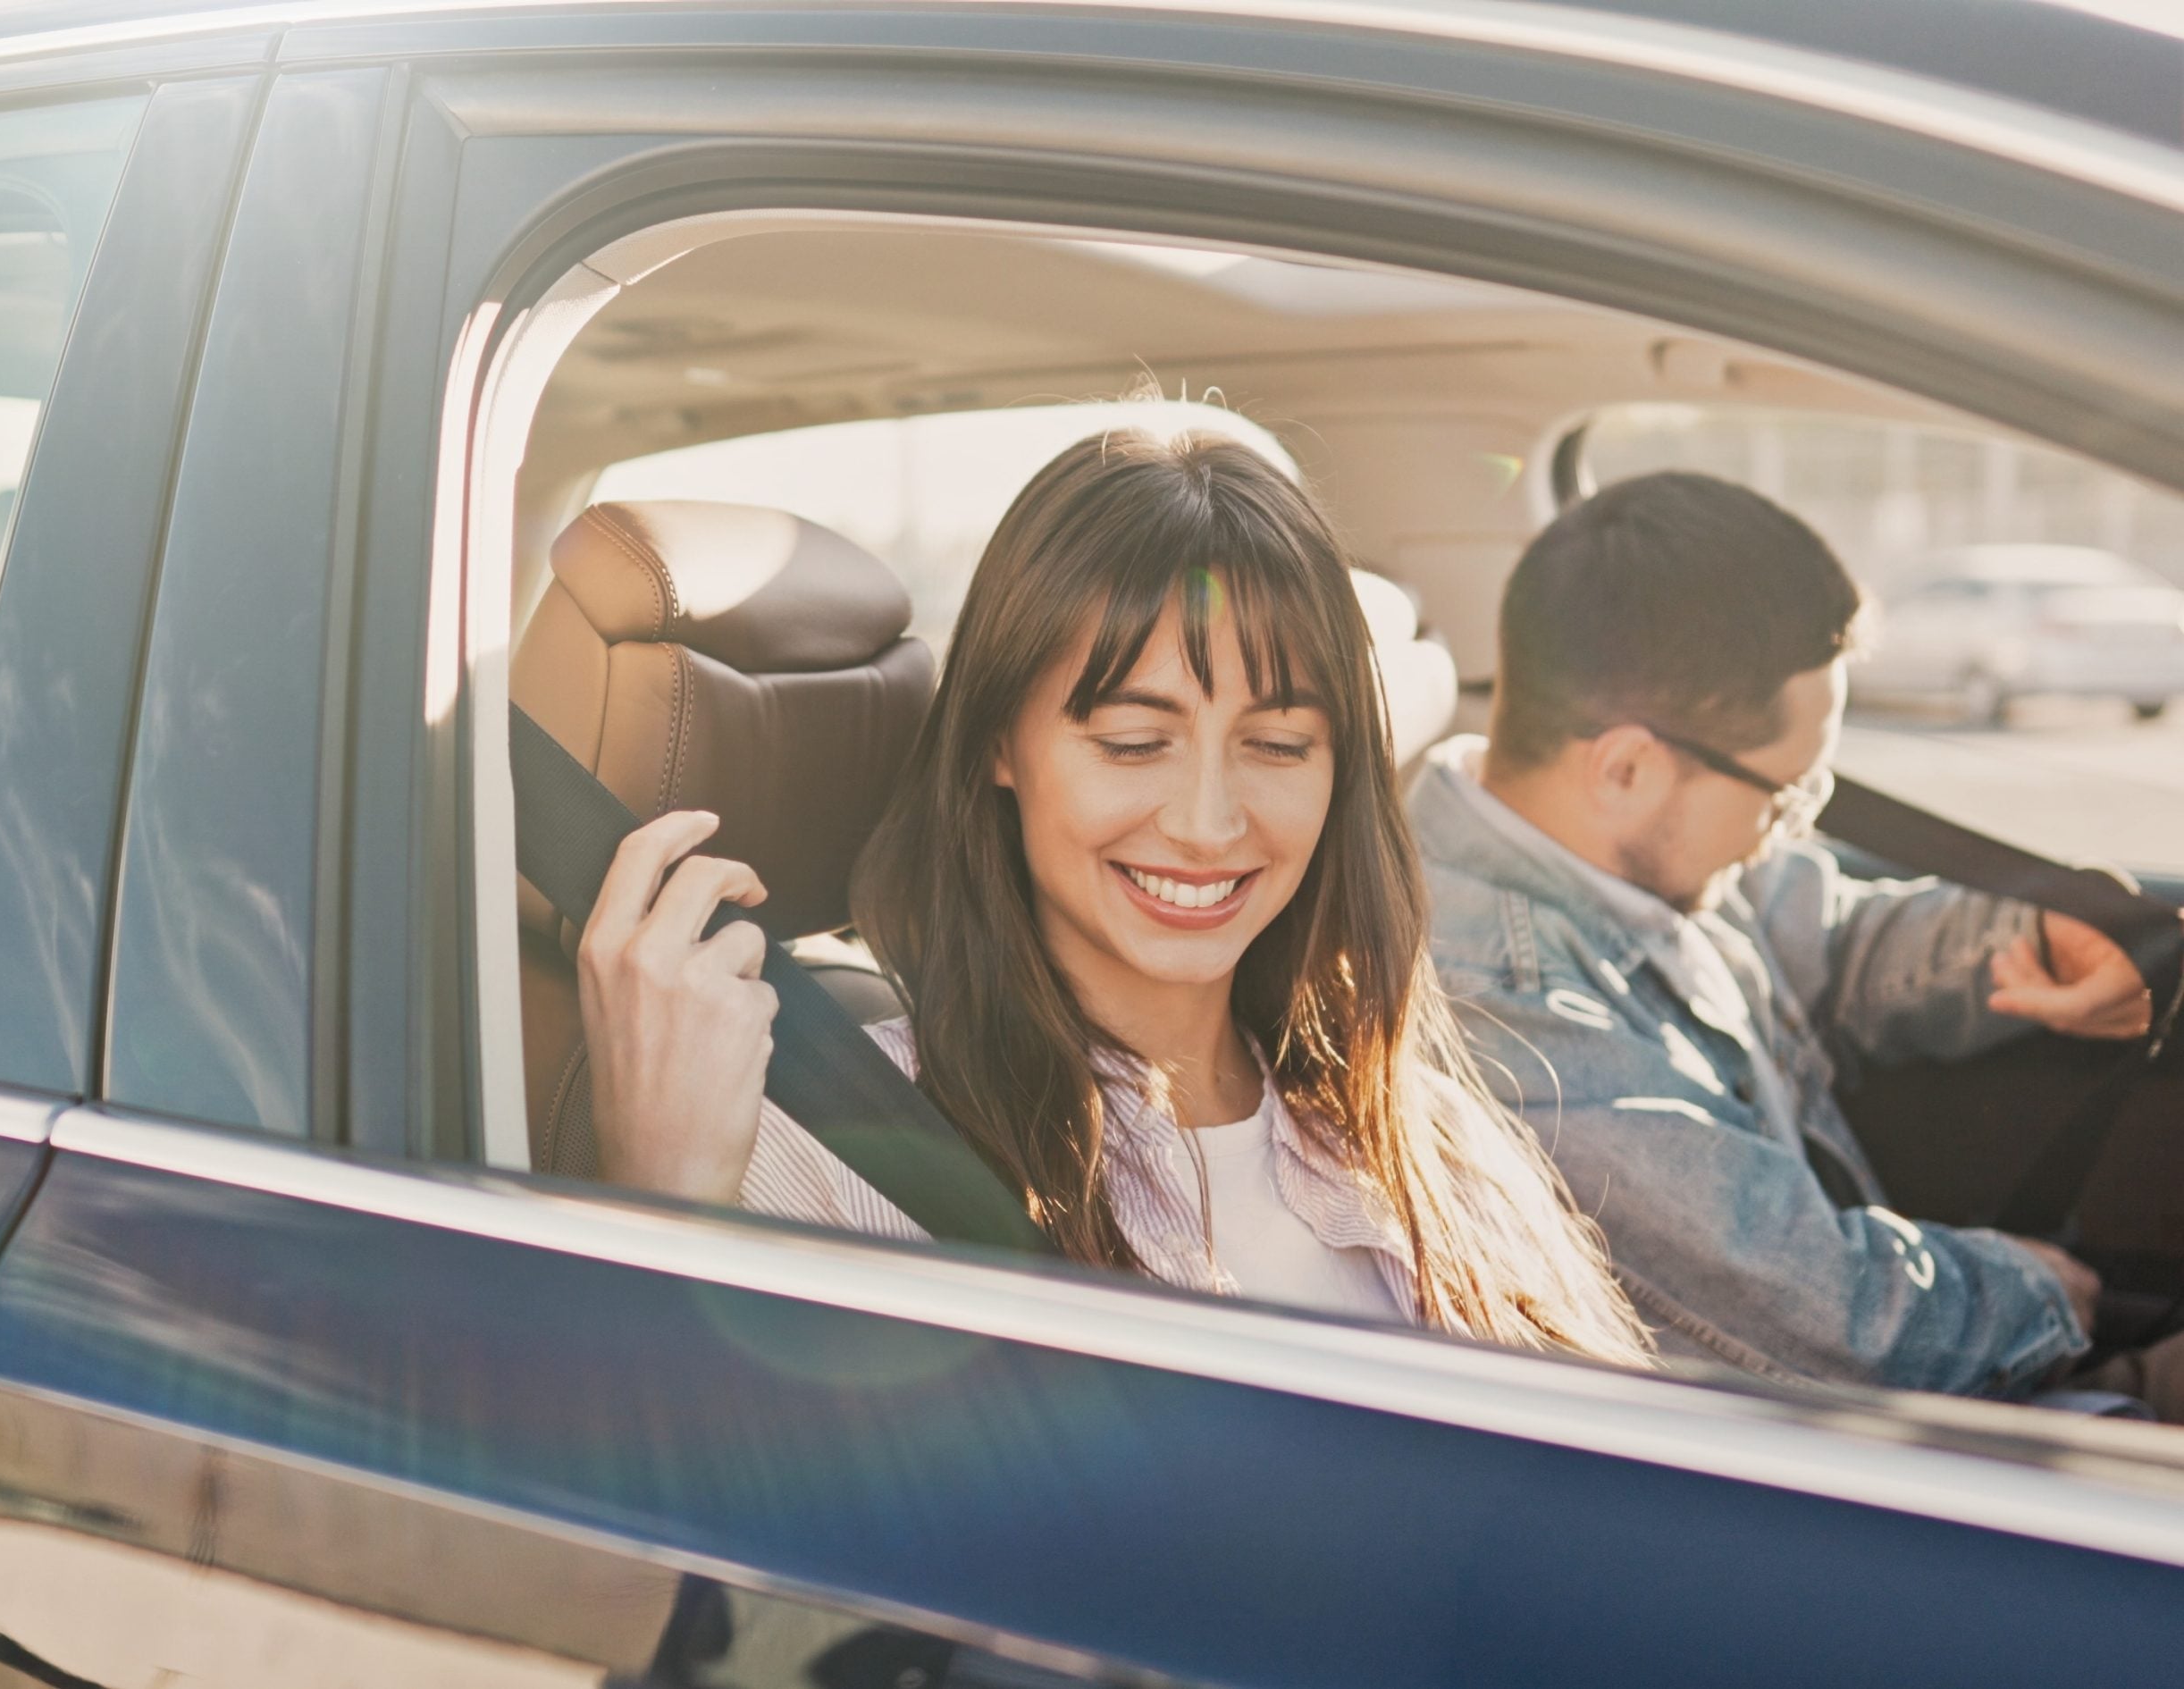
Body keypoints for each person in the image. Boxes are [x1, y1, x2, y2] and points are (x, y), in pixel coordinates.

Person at [575, 431, 1652, 1362]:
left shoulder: (1416, 1130)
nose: (1209, 822)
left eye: (1278, 744)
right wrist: (664, 1192)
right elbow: (697, 1566)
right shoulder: (837, 1147)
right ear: (1002, 743)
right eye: (1135, 742)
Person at [1408, 470, 2184, 1415]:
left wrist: (2042, 939)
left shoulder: (1645, 856)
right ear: (1625, 767)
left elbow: (1836, 941)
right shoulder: (1497, 1010)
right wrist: (2048, 1289)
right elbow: (1844, 1331)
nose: (1796, 824)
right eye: (1785, 792)